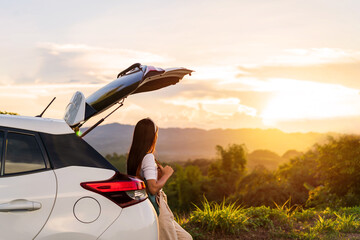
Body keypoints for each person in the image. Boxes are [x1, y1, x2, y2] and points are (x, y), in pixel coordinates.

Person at [127, 118, 192, 240]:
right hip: (157, 205)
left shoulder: (134, 156)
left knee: (186, 237)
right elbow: (152, 188)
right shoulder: (148, 157)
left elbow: (144, 181)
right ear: (151, 136)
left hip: (150, 204)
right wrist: (167, 174)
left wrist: (158, 176)